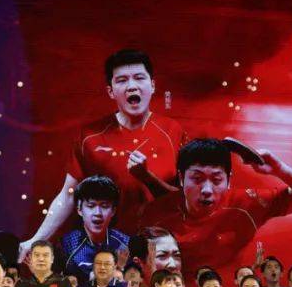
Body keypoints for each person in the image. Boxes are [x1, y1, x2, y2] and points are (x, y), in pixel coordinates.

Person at [18, 48, 187, 260]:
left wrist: (146, 177)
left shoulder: (173, 132)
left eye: (139, 78)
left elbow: (185, 200)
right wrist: (37, 239)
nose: (132, 86)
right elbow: (68, 195)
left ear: (152, 85)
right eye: (122, 80)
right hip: (108, 256)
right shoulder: (90, 137)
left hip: (161, 254)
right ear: (111, 91)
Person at [137, 138, 292, 280]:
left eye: (217, 180)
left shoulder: (246, 204)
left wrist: (279, 169)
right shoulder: (154, 215)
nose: (207, 190)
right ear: (181, 178)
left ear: (229, 180)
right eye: (197, 179)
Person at [60, 176, 130, 281]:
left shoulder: (125, 243)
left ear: (113, 211)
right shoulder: (67, 245)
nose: (98, 213)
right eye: (91, 206)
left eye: (104, 206)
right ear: (79, 210)